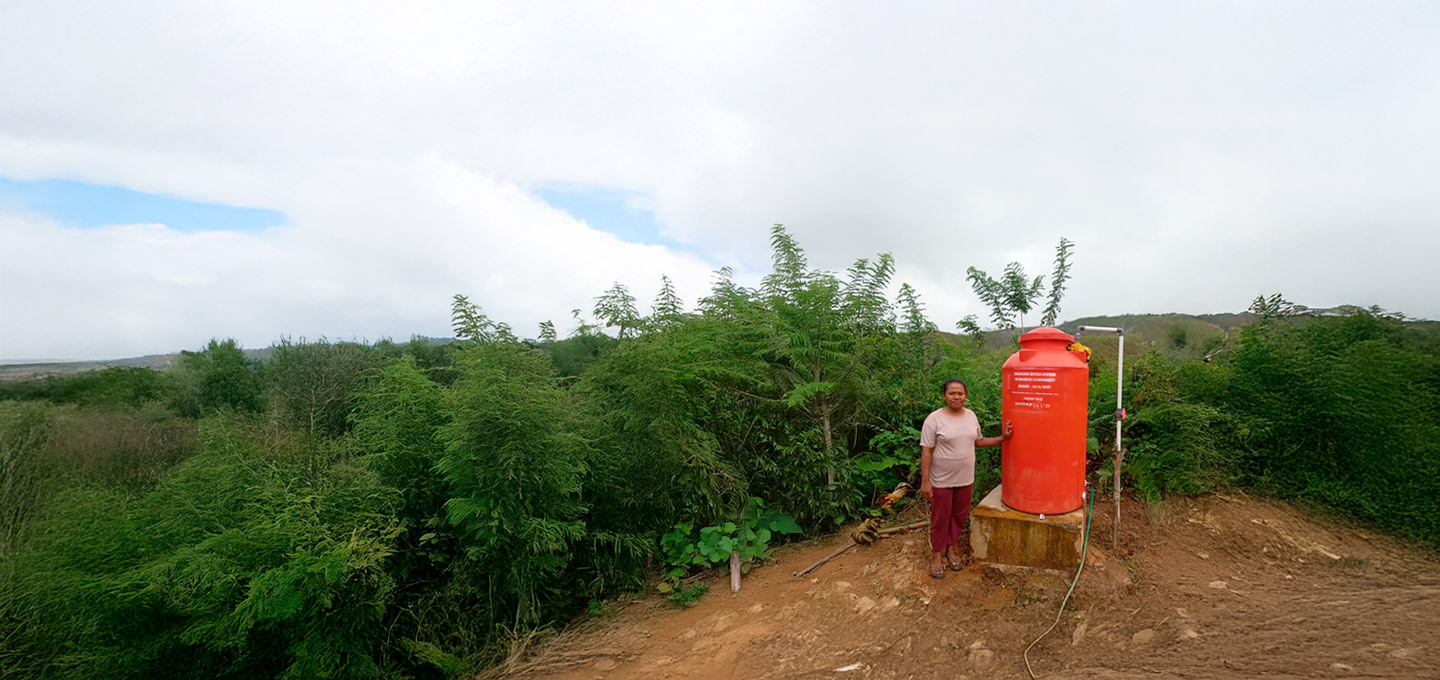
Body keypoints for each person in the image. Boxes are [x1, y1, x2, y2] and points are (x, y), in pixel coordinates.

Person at [919, 378, 1012, 579]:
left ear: (966, 396)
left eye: (960, 393)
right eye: (952, 393)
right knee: (940, 518)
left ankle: (951, 548)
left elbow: (978, 441)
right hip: (941, 480)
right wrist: (925, 481)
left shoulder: (970, 416)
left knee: (959, 515)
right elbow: (927, 451)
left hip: (965, 479)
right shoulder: (934, 419)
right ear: (944, 396)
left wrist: (1002, 439)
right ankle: (937, 555)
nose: (956, 397)